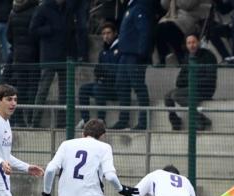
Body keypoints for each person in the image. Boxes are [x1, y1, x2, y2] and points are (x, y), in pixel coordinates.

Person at [111, 0, 152, 130]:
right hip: (125, 54)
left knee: (138, 85)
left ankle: (143, 122)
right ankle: (123, 120)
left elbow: (144, 31)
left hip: (134, 55)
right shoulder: (130, 8)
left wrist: (141, 53)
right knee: (120, 85)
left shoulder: (139, 8)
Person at [164, 33, 216, 131]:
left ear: (198, 43)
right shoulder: (187, 58)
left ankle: (200, 119)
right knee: (167, 96)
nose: (191, 45)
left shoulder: (208, 56)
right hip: (191, 88)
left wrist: (192, 80)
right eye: (189, 43)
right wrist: (190, 79)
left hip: (205, 89)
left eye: (193, 42)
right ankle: (176, 121)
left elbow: (210, 78)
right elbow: (179, 81)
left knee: (176, 95)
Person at [30, 0, 68, 128]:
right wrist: (49, 29)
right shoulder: (43, 8)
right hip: (49, 56)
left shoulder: (66, 8)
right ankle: (35, 121)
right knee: (43, 89)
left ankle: (62, 122)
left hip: (64, 55)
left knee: (65, 92)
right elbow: (33, 29)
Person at [76, 22, 120, 128]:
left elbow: (116, 71)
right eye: (104, 33)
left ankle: (101, 120)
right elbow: (99, 71)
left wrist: (104, 71)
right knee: (83, 89)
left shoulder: (120, 50)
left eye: (109, 33)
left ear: (115, 33)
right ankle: (86, 120)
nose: (106, 36)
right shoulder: (103, 52)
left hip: (116, 87)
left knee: (97, 88)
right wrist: (101, 72)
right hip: (103, 84)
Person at [6, 0, 40, 127]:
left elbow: (8, 36)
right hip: (33, 57)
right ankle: (30, 117)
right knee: (32, 88)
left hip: (18, 57)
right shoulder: (35, 11)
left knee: (19, 89)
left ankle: (19, 119)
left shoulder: (13, 12)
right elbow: (35, 33)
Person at [156, 0, 209, 65]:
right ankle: (162, 57)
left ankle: (180, 55)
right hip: (172, 16)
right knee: (159, 28)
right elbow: (164, 5)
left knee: (171, 28)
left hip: (190, 17)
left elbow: (186, 5)